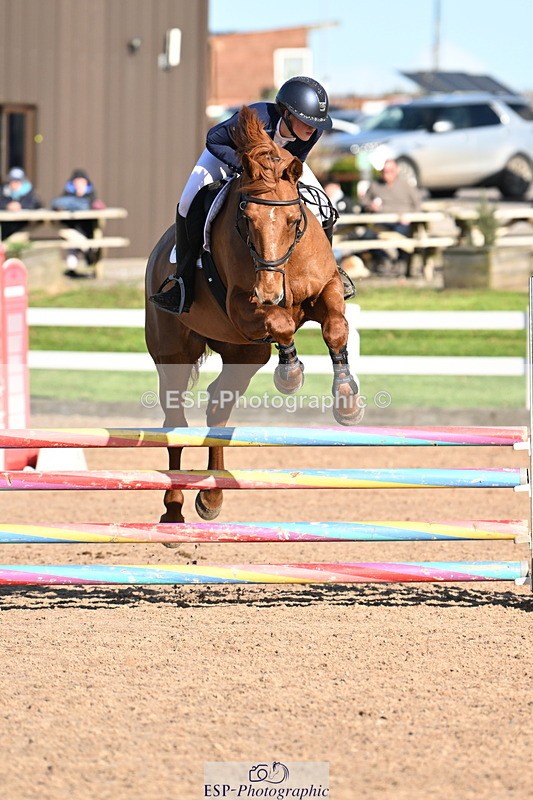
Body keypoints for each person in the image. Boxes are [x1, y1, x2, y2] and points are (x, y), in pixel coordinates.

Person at [152, 75, 355, 314]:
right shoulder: (260, 119)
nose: (313, 128)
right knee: (188, 202)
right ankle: (182, 281)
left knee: (323, 206)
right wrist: (245, 168)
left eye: (317, 123)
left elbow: (296, 159)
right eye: (305, 120)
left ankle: (329, 271)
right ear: (287, 114)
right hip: (230, 157)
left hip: (277, 167)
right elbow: (213, 140)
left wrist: (282, 181)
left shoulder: (313, 131)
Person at [361, 158, 422, 273]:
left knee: (403, 237)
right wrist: (371, 206)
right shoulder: (375, 185)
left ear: (396, 171)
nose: (387, 174)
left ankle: (402, 263)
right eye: (384, 171)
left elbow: (418, 204)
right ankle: (384, 259)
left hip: (401, 221)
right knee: (367, 236)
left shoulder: (406, 185)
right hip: (380, 221)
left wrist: (411, 216)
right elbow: (364, 202)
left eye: (390, 171)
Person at [50, 169, 105, 272]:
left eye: (81, 182)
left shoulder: (91, 196)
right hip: (71, 228)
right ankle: (75, 265)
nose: (79, 185)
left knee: (89, 237)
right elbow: (55, 204)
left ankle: (89, 256)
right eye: (77, 182)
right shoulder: (67, 195)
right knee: (67, 234)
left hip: (87, 229)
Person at [0, 167, 42, 239]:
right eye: (12, 180)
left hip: (22, 223)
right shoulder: (4, 190)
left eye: (17, 181)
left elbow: (36, 204)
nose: (14, 183)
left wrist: (21, 206)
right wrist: (7, 206)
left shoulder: (29, 190)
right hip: (5, 224)